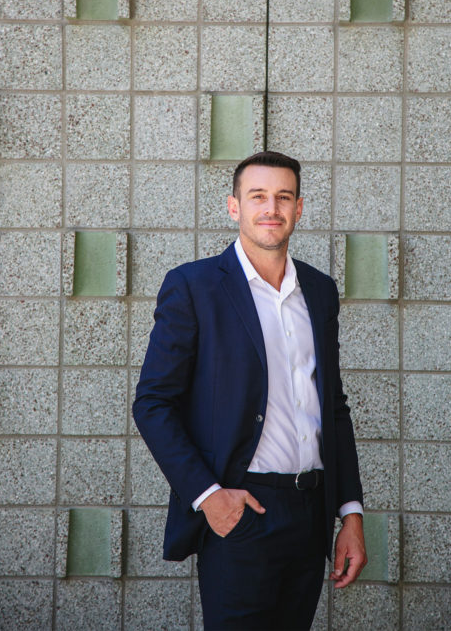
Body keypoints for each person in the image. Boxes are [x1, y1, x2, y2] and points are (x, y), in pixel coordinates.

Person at [133, 151, 366, 630]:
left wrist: (350, 512)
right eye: (257, 196)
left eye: (283, 197)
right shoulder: (194, 287)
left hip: (311, 512)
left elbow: (333, 408)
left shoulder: (319, 292)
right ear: (233, 207)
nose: (271, 208)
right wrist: (209, 496)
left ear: (299, 208)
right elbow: (153, 403)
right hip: (241, 510)